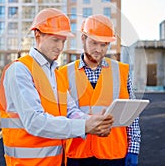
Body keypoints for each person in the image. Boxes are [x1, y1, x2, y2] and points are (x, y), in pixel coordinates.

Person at [0, 8, 114, 166]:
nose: (60, 47)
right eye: (55, 39)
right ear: (38, 35)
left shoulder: (56, 75)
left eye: (63, 41)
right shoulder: (20, 71)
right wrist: (85, 126)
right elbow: (34, 121)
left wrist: (94, 122)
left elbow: (71, 112)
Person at [59, 14, 141, 166]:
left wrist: (133, 148)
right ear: (83, 39)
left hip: (114, 153)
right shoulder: (63, 74)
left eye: (104, 45)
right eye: (94, 43)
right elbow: (58, 116)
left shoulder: (121, 71)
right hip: (77, 154)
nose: (99, 49)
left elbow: (132, 115)